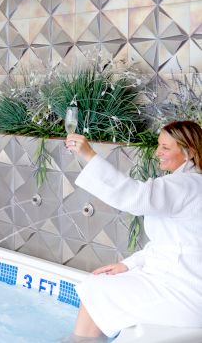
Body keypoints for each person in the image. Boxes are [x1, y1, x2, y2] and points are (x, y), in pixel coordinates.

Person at [66, 121, 202, 339]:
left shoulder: (186, 185)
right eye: (159, 145)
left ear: (190, 152)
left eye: (166, 148)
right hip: (176, 281)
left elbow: (135, 197)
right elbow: (168, 245)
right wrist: (126, 264)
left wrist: (89, 155)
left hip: (183, 292)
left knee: (95, 289)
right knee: (96, 286)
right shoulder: (189, 184)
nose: (158, 152)